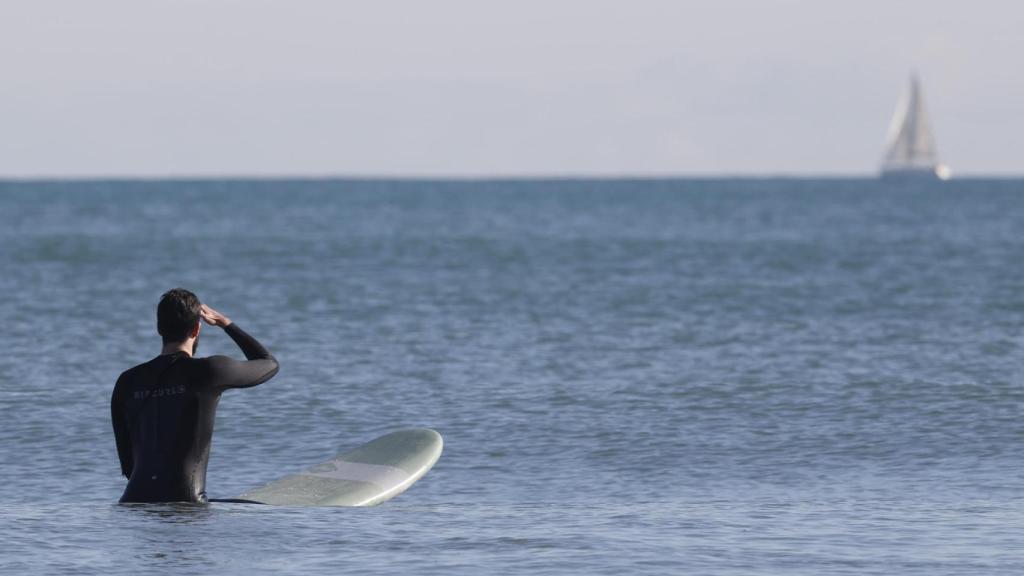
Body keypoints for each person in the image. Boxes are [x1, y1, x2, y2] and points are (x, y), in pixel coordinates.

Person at [111, 288, 279, 503]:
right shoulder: (209, 371)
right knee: (261, 508)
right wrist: (226, 324)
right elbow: (269, 363)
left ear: (159, 329)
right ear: (196, 329)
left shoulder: (127, 381)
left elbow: (127, 465)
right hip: (186, 505)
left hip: (132, 502)